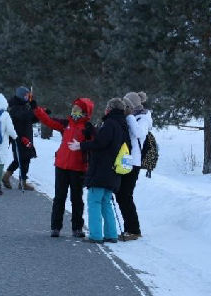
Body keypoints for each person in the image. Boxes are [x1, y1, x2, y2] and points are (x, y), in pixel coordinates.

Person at [68, 98, 129, 244]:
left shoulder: (109, 124)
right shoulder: (123, 125)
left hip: (101, 169)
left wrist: (81, 146)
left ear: (110, 108)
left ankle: (96, 235)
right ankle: (111, 234)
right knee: (106, 202)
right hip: (114, 170)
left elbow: (101, 143)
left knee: (94, 201)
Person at [37, 98, 96, 238]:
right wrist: (36, 109)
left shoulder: (88, 128)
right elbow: (48, 121)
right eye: (74, 108)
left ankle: (77, 228)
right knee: (59, 197)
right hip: (61, 166)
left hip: (79, 168)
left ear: (85, 112)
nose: (74, 110)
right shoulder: (66, 123)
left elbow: (94, 146)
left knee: (76, 199)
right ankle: (55, 227)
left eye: (78, 109)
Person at [116, 91, 151, 241]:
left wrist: (129, 116)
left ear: (131, 105)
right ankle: (129, 228)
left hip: (134, 161)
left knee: (125, 195)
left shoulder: (143, 117)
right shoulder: (133, 116)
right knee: (121, 195)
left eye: (127, 104)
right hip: (125, 159)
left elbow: (139, 133)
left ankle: (134, 229)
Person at [3, 86, 44, 191]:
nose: (28, 98)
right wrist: (33, 108)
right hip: (19, 136)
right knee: (21, 159)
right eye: (27, 96)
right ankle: (16, 179)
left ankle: (16, 179)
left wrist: (41, 114)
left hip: (26, 134)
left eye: (29, 96)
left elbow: (30, 119)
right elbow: (24, 116)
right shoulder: (14, 106)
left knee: (24, 158)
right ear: (21, 96)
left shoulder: (23, 105)